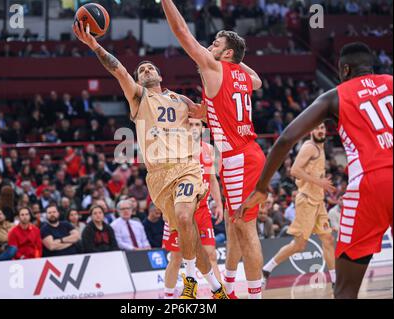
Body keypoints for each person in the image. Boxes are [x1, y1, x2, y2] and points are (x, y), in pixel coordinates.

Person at [73, 21, 228, 299]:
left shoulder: (179, 100)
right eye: (141, 69)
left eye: (150, 68)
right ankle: (216, 289)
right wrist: (95, 45)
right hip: (157, 176)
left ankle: (189, 281)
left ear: (159, 74)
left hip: (186, 167)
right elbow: (118, 69)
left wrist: (211, 73)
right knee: (187, 228)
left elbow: (207, 112)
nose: (146, 70)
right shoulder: (138, 96)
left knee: (183, 215)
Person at [240, 42, 393, 299]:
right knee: (306, 242)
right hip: (309, 199)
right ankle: (270, 268)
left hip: (371, 182)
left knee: (345, 289)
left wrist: (261, 187)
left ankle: (271, 269)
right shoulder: (390, 81)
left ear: (344, 70)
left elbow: (286, 138)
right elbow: (297, 169)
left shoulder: (335, 95)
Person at [162, 0, 264, 299]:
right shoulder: (245, 76)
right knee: (235, 224)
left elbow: (181, 31)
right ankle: (230, 290)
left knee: (246, 229)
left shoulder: (213, 67)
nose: (209, 46)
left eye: (216, 43)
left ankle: (255, 296)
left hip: (237, 157)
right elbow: (256, 83)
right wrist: (194, 109)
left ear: (226, 53)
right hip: (249, 152)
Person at [261, 123, 337, 288]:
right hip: (306, 201)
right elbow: (294, 170)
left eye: (323, 128)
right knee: (299, 245)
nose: (320, 130)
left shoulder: (321, 147)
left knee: (328, 239)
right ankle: (267, 268)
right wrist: (320, 182)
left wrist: (321, 185)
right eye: (317, 128)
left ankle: (335, 281)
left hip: (318, 202)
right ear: (311, 131)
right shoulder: (309, 147)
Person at [162, 117, 225, 299]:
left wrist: (219, 203)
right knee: (176, 257)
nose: (194, 127)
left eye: (198, 124)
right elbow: (166, 182)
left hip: (202, 209)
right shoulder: (175, 149)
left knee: (211, 254)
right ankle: (169, 297)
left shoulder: (210, 150)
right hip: (179, 208)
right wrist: (166, 209)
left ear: (203, 128)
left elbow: (212, 179)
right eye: (190, 124)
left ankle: (218, 295)